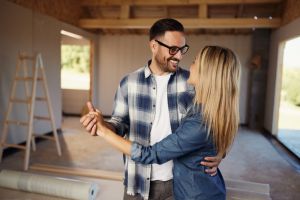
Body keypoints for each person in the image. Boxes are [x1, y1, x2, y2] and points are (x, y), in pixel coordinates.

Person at [80, 18, 222, 200]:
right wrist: (101, 126)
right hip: (136, 180)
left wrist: (219, 153)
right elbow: (119, 124)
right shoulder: (128, 83)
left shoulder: (194, 83)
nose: (179, 56)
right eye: (173, 49)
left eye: (182, 50)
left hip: (177, 183)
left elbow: (217, 123)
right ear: (154, 45)